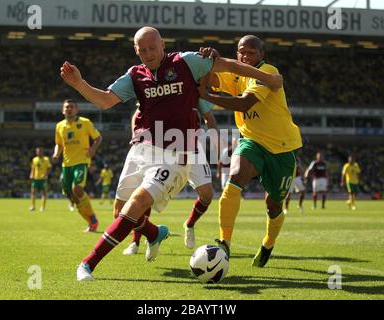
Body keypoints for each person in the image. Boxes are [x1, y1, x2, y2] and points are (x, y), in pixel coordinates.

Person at [60, 26, 282, 281]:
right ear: (136, 51)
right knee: (120, 212)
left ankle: (87, 264)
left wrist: (266, 78)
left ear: (162, 44)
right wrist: (78, 83)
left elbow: (229, 65)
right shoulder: (134, 75)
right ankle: (154, 234)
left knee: (137, 204)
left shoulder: (186, 62)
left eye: (152, 48)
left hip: (176, 152)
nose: (148, 54)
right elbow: (105, 100)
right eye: (142, 50)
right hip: (141, 148)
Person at [198, 34, 302, 268]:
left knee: (273, 205)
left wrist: (206, 96)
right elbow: (211, 77)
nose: (245, 56)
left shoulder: (267, 72)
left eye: (251, 52)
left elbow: (245, 104)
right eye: (241, 52)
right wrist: (206, 61)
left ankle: (268, 243)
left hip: (281, 148)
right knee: (234, 178)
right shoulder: (236, 73)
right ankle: (224, 242)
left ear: (261, 55)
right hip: (251, 141)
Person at [122, 99, 218, 254]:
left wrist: (215, 146)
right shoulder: (155, 85)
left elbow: (209, 117)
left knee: (207, 194)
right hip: (161, 144)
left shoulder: (192, 85)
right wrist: (135, 134)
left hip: (191, 145)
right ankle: (136, 241)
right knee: (146, 192)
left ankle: (190, 224)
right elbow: (139, 112)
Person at [52, 99, 102, 232]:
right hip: (66, 164)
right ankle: (91, 221)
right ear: (63, 110)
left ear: (76, 109)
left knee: (78, 189)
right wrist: (56, 154)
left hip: (81, 162)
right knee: (71, 196)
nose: (69, 109)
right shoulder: (59, 126)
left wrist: (93, 149)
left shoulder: (85, 122)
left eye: (71, 107)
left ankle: (93, 218)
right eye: (66, 107)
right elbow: (59, 144)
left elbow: (98, 138)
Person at [29, 147, 52, 212]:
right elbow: (33, 168)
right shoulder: (34, 159)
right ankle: (33, 206)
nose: (39, 152)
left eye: (40, 151)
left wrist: (45, 174)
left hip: (43, 179)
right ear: (36, 152)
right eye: (37, 151)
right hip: (35, 178)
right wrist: (31, 174)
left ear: (42, 152)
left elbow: (49, 168)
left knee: (44, 193)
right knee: (33, 192)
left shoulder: (46, 159)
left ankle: (42, 207)